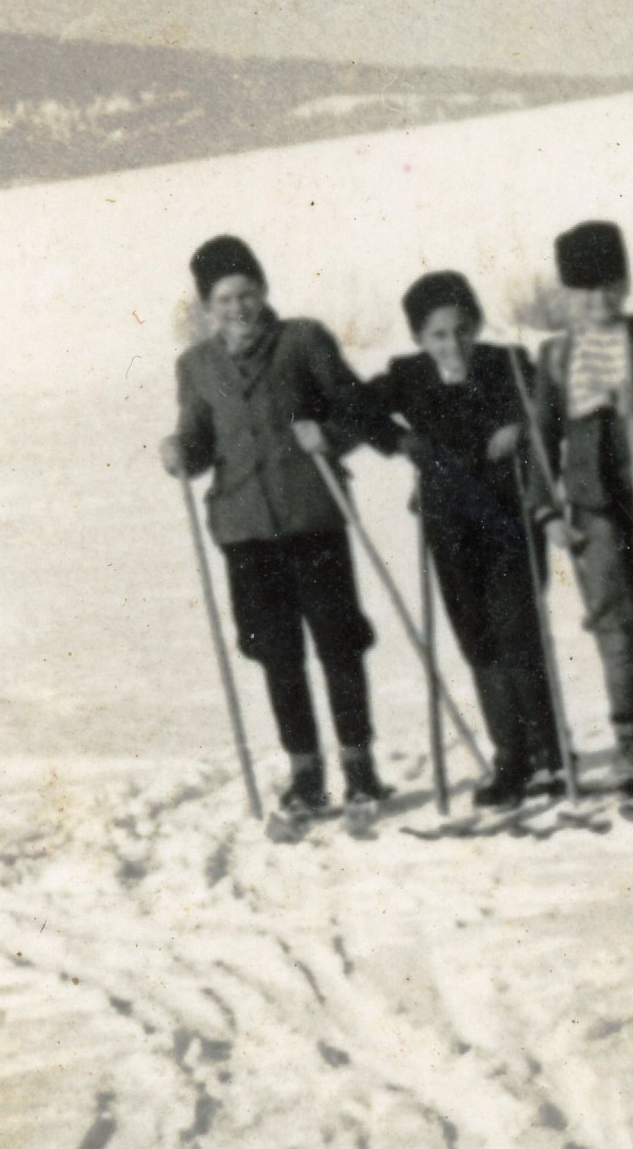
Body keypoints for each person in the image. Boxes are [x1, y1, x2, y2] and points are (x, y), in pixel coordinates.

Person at [160, 236, 394, 818]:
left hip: (311, 514)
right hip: (245, 529)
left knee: (339, 643)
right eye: (223, 299)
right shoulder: (196, 366)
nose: (237, 308)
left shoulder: (303, 340)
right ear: (207, 308)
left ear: (263, 291)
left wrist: (330, 435)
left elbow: (357, 409)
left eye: (246, 294)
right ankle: (306, 774)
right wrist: (180, 452)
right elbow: (200, 441)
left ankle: (360, 768)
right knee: (276, 653)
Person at [363, 272, 563, 807]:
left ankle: (549, 756)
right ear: (419, 337)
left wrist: (521, 425)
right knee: (478, 640)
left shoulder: (508, 363)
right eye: (438, 335)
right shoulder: (407, 375)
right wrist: (401, 439)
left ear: (475, 325)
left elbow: (549, 405)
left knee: (517, 635)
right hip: (449, 526)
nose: (453, 344)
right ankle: (511, 759)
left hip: (507, 520)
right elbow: (355, 407)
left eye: (461, 330)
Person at [532, 220, 633, 799]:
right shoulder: (557, 355)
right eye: (583, 290)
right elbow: (541, 439)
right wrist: (547, 510)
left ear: (624, 285)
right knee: (615, 627)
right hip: (593, 507)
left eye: (607, 286)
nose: (597, 300)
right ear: (567, 295)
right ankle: (632, 748)